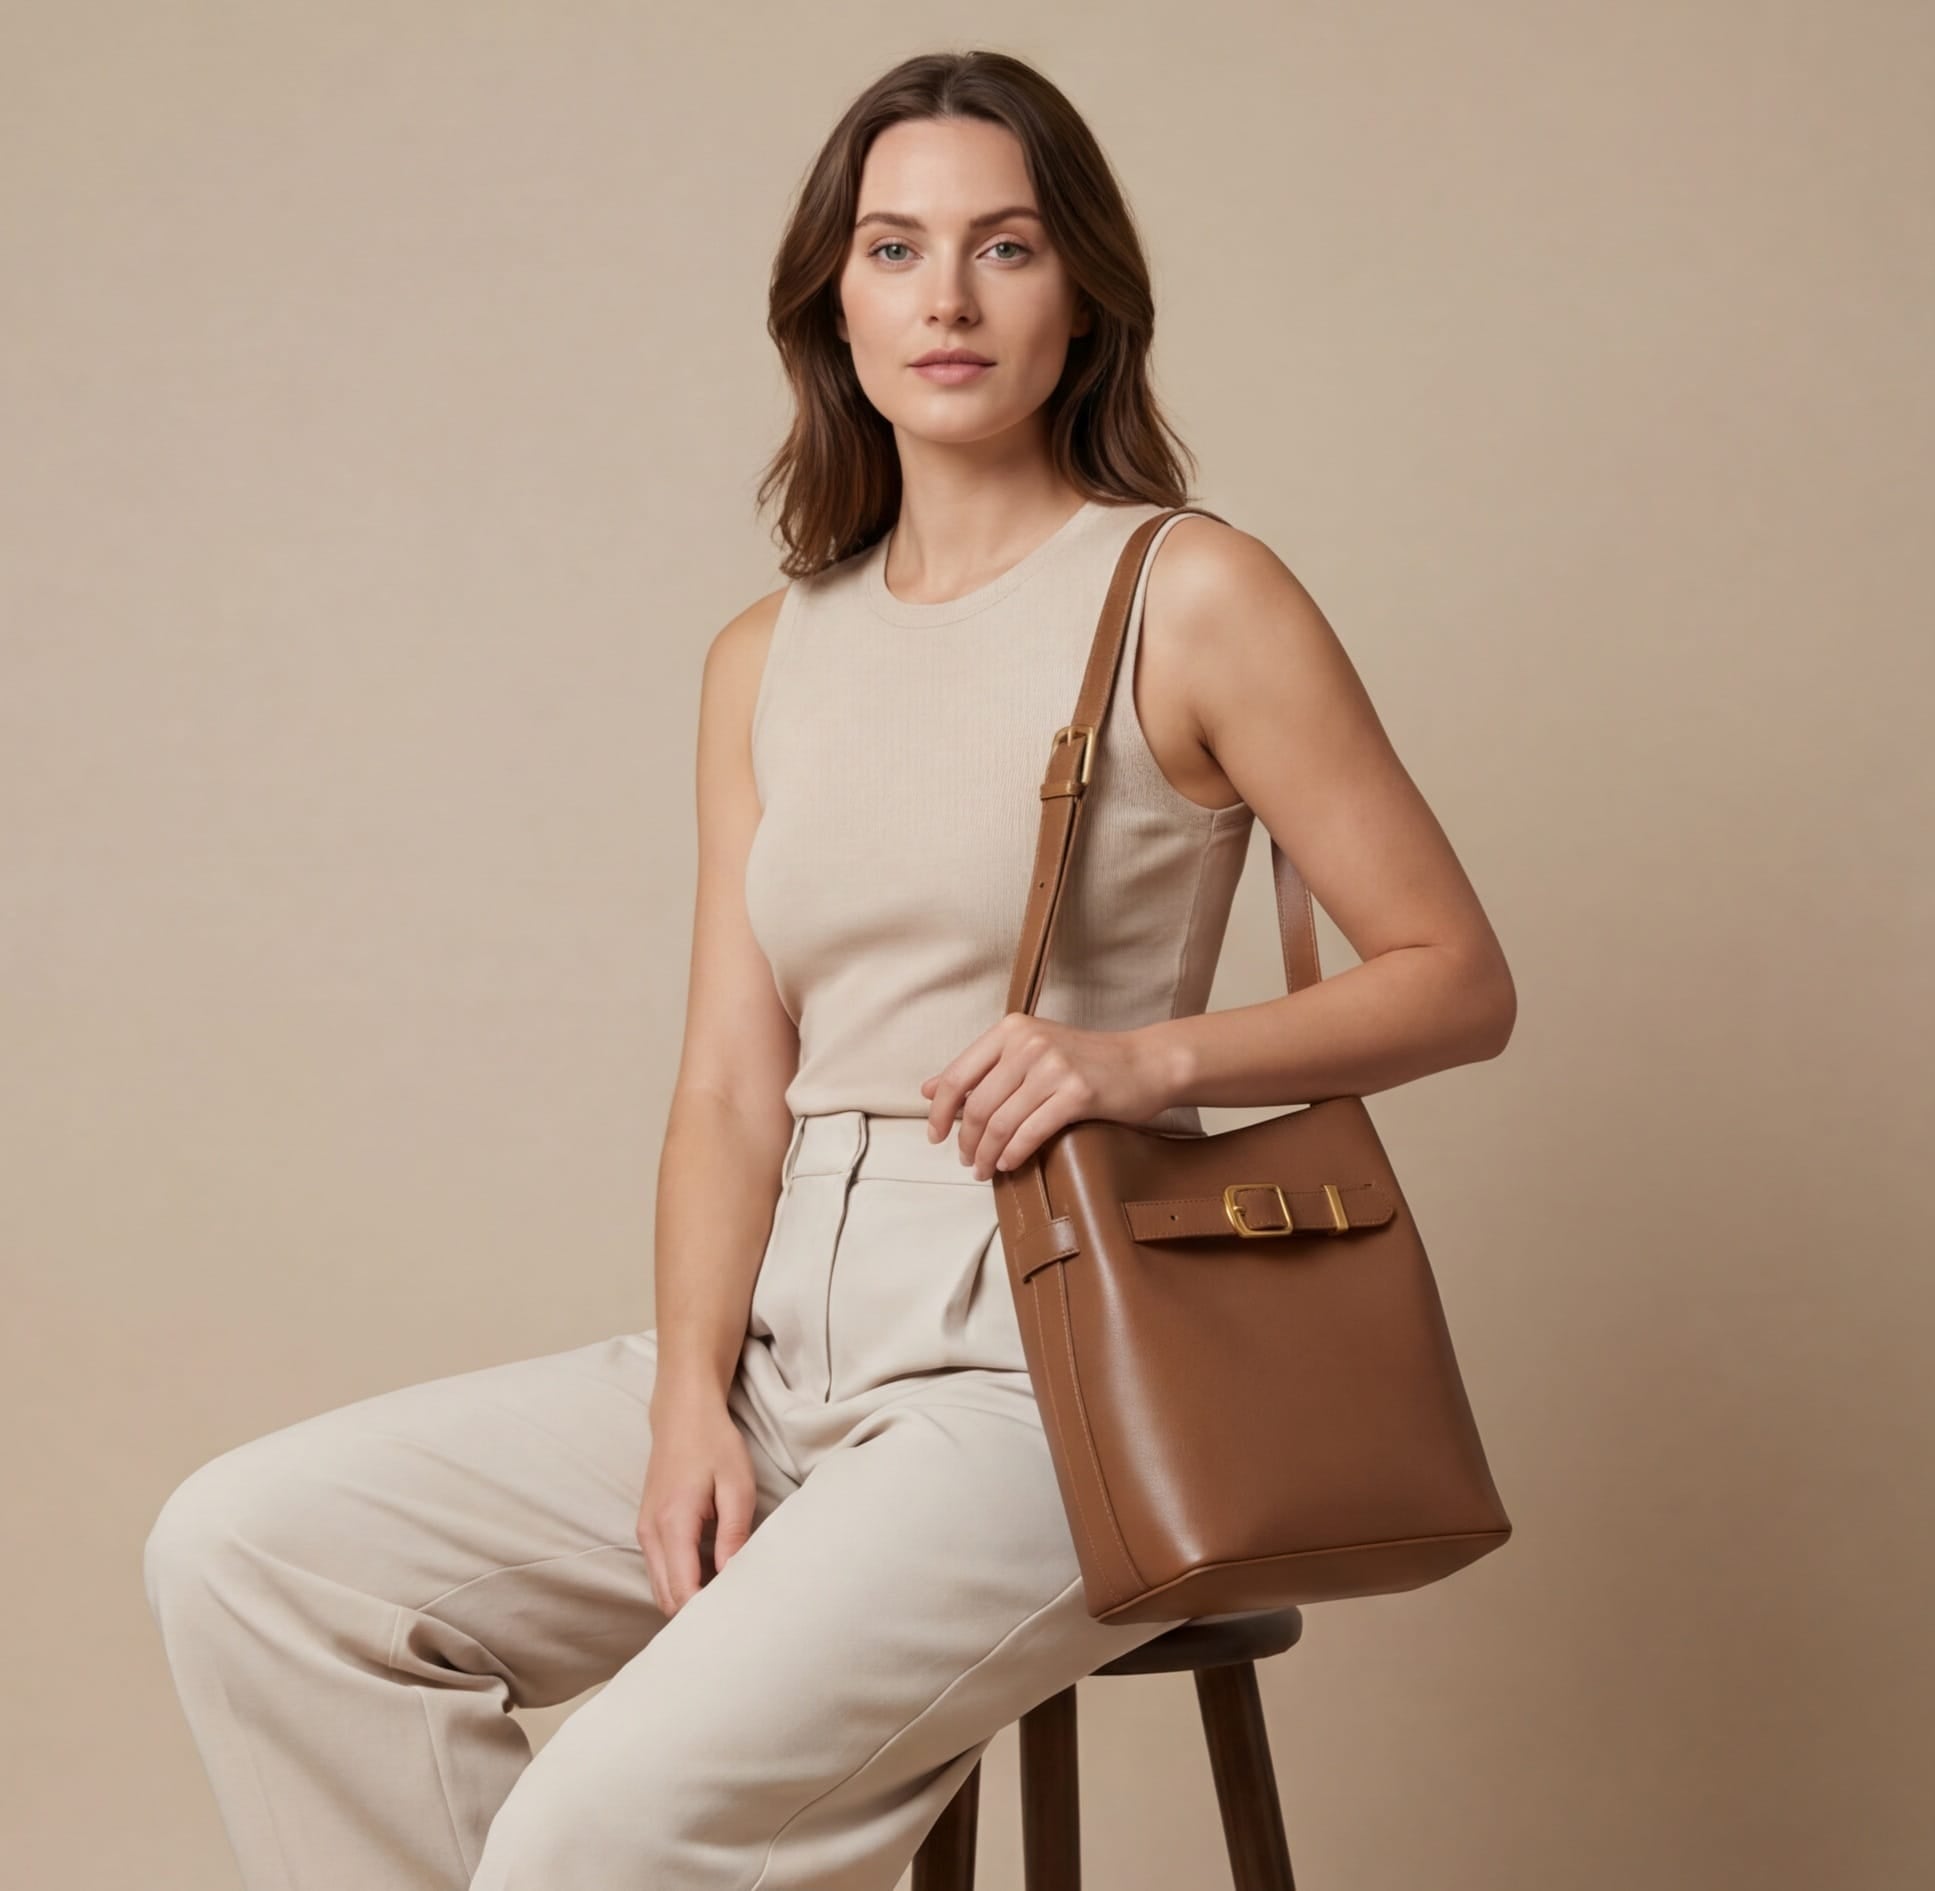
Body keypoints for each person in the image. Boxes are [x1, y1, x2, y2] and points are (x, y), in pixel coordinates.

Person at [142, 48, 1516, 1891]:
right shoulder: (765, 653)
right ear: (833, 300)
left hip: (1051, 1360)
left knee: (599, 1832)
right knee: (247, 1549)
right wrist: (688, 1399)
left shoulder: (1186, 592)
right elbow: (727, 1083)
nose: (946, 298)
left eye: (1005, 247)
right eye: (895, 248)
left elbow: (1455, 976)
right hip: (789, 1336)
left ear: (1083, 290)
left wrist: (1139, 1066)